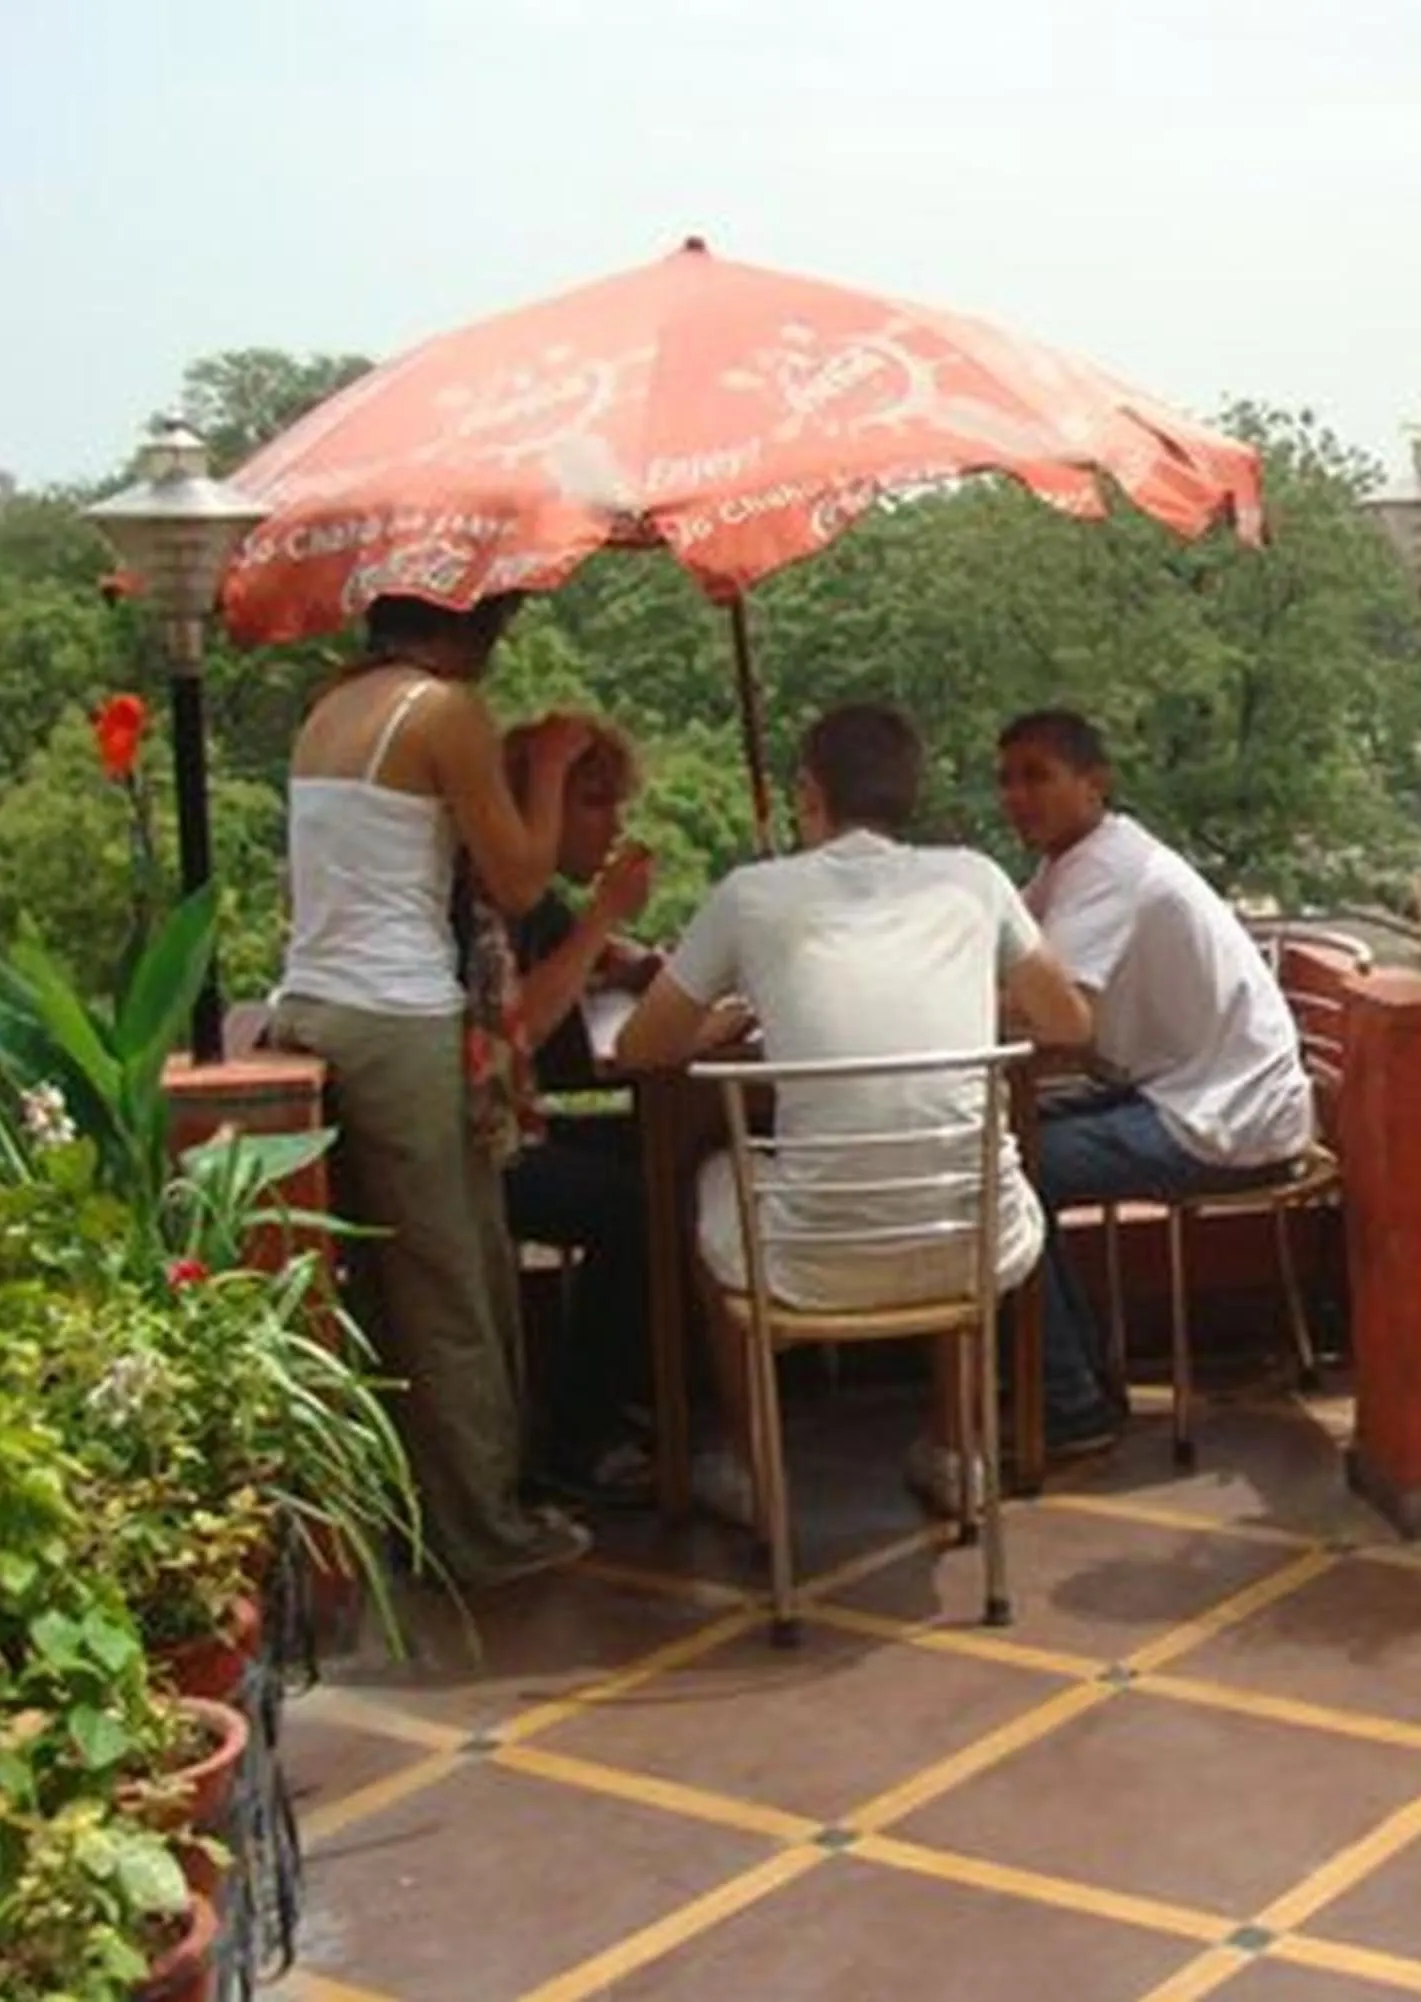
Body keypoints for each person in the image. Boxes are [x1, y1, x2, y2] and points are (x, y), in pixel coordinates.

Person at [615, 703, 1091, 1525]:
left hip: (804, 1265)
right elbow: (1070, 1025)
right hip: (977, 1252)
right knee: (942, 1168)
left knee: (710, 1175)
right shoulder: (973, 879)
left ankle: (757, 1467)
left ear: (808, 795)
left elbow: (640, 1049)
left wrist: (726, 1018)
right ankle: (957, 1447)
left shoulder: (751, 895)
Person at [269, 592, 594, 1588]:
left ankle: (403, 1512)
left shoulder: (332, 706)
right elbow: (523, 877)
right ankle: (485, 1534)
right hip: (399, 1017)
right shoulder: (442, 709)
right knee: (454, 1277)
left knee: (376, 1280)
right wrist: (547, 771)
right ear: (466, 628)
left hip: (310, 1006)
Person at [994, 710, 1315, 1449]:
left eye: (1037, 775)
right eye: (1007, 779)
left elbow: (1059, 1019)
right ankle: (1074, 1383)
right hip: (1181, 1090)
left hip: (1222, 1117)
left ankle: (1069, 1402)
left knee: (998, 1175)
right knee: (1010, 1153)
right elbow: (1014, 972)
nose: (1016, 796)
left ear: (1094, 782)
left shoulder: (1108, 869)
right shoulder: (1069, 866)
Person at [496, 715, 660, 1503]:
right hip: (480, 1144)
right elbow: (517, 1022)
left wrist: (628, 961)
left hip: (525, 1121)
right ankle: (581, 1435)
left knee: (662, 1147)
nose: (613, 824)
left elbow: (597, 964)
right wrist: (605, 918)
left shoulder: (541, 909)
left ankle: (644, 1397)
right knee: (631, 1205)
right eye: (594, 803)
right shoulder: (481, 897)